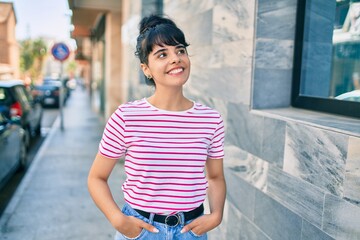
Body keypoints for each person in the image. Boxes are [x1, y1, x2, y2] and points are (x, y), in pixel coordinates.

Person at [87, 14, 226, 240]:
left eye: (180, 50)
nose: (175, 58)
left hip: (190, 232)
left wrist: (217, 215)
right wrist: (118, 220)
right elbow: (96, 177)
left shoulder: (210, 119)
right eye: (162, 54)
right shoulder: (126, 117)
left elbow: (216, 177)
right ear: (146, 69)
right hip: (141, 231)